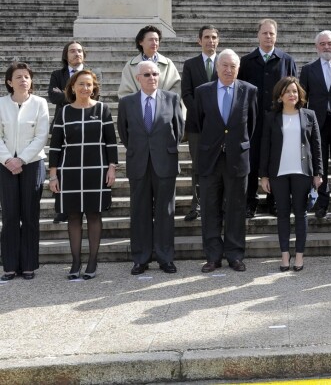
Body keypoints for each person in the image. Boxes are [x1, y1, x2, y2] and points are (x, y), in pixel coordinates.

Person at [48, 70, 117, 280]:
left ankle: (92, 261)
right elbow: (55, 145)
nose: (85, 88)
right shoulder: (64, 112)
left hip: (97, 170)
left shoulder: (103, 109)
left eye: (89, 84)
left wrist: (112, 167)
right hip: (69, 171)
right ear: (72, 87)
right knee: (73, 216)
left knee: (94, 214)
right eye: (81, 84)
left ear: (94, 88)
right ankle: (76, 262)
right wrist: (53, 175)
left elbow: (111, 142)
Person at [193, 49, 258, 273]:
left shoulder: (249, 91)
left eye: (233, 66)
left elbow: (252, 125)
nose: (229, 70)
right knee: (210, 209)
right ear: (217, 67)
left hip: (237, 158)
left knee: (236, 209)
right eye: (225, 66)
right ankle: (213, 256)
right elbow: (199, 123)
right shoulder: (202, 92)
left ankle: (235, 254)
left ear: (238, 69)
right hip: (210, 158)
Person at [117, 61, 184, 275]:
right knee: (140, 212)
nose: (152, 78)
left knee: (166, 212)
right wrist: (142, 150)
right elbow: (124, 133)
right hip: (139, 163)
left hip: (165, 162)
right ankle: (141, 258)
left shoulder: (172, 99)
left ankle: (165, 258)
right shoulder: (127, 103)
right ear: (138, 78)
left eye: (155, 74)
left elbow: (179, 130)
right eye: (146, 74)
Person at [260, 77, 323, 272]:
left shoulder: (309, 115)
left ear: (300, 95)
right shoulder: (271, 117)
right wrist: (263, 176)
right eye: (287, 92)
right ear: (280, 96)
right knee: (283, 216)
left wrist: (318, 173)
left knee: (301, 214)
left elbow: (317, 147)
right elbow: (265, 148)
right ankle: (285, 256)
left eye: (295, 91)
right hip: (278, 173)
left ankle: (300, 256)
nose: (292, 95)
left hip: (302, 173)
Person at [239, 19, 297, 218]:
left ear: (276, 36)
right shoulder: (246, 61)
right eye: (265, 33)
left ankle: (275, 201)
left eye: (272, 33)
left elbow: (295, 92)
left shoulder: (287, 60)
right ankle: (250, 201)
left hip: (278, 120)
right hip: (253, 121)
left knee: (276, 161)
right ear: (258, 35)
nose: (268, 37)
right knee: (252, 161)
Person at [0, 62, 49, 281]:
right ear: (10, 82)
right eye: (18, 77)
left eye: (26, 76)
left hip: (32, 163)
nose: (23, 80)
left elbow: (41, 136)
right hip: (5, 164)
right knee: (10, 215)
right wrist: (8, 159)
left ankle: (29, 265)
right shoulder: (1, 104)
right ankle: (10, 266)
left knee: (30, 215)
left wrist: (22, 159)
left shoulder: (40, 103)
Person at [299, 30, 331, 219]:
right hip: (317, 125)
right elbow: (302, 100)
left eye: (330, 43)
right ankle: (321, 204)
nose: (326, 47)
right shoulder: (308, 69)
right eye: (322, 44)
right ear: (316, 47)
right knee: (318, 166)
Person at [181, 25, 219, 222]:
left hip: (220, 127)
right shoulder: (190, 64)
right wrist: (200, 113)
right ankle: (195, 205)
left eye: (213, 37)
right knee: (197, 166)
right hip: (196, 125)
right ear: (199, 41)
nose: (210, 41)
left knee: (219, 166)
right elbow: (186, 93)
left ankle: (216, 204)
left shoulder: (225, 63)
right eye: (206, 37)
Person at [48, 40, 87, 224]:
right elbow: (52, 96)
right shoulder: (57, 74)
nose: (76, 53)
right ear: (66, 55)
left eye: (79, 51)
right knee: (61, 167)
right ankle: (62, 209)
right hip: (62, 125)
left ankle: (86, 206)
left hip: (86, 126)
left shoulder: (90, 74)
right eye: (72, 51)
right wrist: (78, 95)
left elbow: (94, 95)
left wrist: (65, 94)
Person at [118, 25, 181, 99]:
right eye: (151, 40)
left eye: (156, 40)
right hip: (139, 108)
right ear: (141, 42)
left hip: (163, 109)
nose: (154, 43)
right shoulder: (130, 66)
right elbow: (124, 93)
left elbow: (176, 89)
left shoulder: (168, 64)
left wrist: (162, 103)